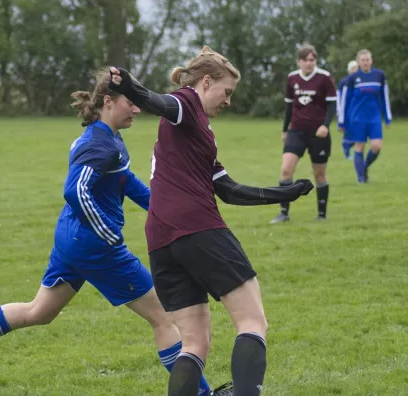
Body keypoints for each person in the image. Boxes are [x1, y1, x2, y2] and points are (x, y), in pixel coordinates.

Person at [0, 66, 227, 396]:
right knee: (165, 319)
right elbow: (75, 191)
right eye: (131, 102)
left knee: (38, 311)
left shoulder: (109, 137)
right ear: (109, 102)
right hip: (95, 246)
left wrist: (165, 205)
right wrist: (106, 232)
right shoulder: (101, 144)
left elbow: (125, 181)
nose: (138, 108)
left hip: (72, 239)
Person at [108, 46, 314, 396]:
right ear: (206, 82)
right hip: (197, 227)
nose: (229, 101)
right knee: (252, 321)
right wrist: (129, 85)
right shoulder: (187, 104)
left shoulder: (198, 131)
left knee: (194, 344)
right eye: (227, 92)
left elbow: (229, 189)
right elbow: (158, 101)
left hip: (161, 241)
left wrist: (283, 193)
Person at [270, 44, 337, 224]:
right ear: (299, 61)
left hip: (318, 133)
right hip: (296, 131)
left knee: (320, 175)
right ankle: (283, 213)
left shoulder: (324, 78)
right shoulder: (292, 78)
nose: (310, 63)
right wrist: (285, 129)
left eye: (312, 60)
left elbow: (332, 105)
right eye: (306, 60)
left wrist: (325, 125)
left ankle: (322, 215)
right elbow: (289, 106)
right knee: (285, 170)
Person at [338, 49, 392, 183]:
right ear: (358, 62)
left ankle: (364, 167)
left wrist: (387, 117)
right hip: (357, 118)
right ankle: (361, 178)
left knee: (376, 146)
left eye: (367, 60)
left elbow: (384, 97)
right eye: (363, 60)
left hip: (374, 118)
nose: (365, 62)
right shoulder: (352, 79)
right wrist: (342, 121)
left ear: (371, 60)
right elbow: (344, 101)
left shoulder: (379, 75)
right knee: (359, 147)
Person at [336, 60, 359, 159]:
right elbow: (339, 97)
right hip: (346, 111)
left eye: (356, 68)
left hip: (358, 110)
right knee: (349, 130)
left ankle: (349, 145)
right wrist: (339, 110)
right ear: (349, 70)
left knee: (360, 132)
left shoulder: (360, 81)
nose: (354, 70)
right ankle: (346, 148)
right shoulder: (344, 82)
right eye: (352, 68)